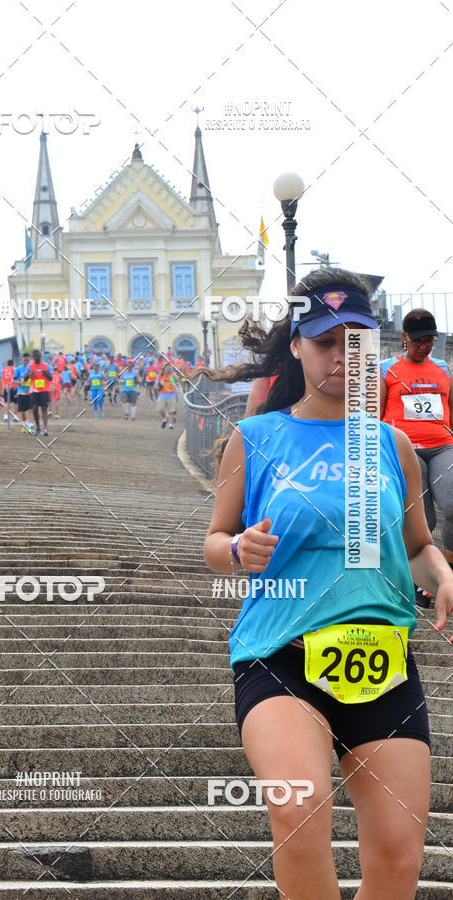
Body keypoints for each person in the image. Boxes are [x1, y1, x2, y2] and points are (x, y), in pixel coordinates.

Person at [203, 268, 453, 900]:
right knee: (300, 807)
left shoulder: (393, 446)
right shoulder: (255, 439)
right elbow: (213, 542)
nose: (343, 357)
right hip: (279, 657)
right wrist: (238, 549)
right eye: (324, 341)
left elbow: (417, 546)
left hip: (383, 664)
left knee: (398, 863)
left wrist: (442, 574)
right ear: (297, 346)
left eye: (356, 341)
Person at [380, 309, 453, 605]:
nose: (424, 346)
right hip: (405, 448)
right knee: (423, 518)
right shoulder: (386, 369)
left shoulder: (443, 368)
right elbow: (376, 415)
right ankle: (420, 581)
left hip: (442, 445)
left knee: (452, 503)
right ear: (404, 338)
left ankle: (446, 572)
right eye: (418, 341)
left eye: (429, 341)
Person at [28, 349, 53, 435]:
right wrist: (29, 375)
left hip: (44, 390)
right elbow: (25, 378)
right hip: (34, 390)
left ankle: (45, 428)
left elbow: (51, 378)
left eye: (38, 356)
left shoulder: (46, 366)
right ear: (33, 357)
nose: (36, 357)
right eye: (35, 356)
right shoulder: (30, 366)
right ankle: (38, 427)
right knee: (34, 408)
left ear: (40, 356)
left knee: (44, 408)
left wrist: (46, 374)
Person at [14, 352, 33, 433]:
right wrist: (19, 383)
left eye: (27, 359)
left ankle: (31, 426)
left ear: (29, 359)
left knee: (30, 409)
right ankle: (25, 425)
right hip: (21, 392)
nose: (26, 361)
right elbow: (14, 379)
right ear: (22, 360)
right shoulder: (18, 369)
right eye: (24, 359)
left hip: (31, 392)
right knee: (22, 411)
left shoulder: (32, 368)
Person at [156, 363, 178, 429]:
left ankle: (170, 425)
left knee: (172, 411)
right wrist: (159, 386)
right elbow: (156, 385)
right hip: (162, 394)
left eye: (169, 368)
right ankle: (165, 418)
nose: (167, 369)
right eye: (166, 368)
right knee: (160, 409)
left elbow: (177, 381)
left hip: (172, 394)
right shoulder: (160, 376)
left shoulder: (172, 375)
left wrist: (172, 372)